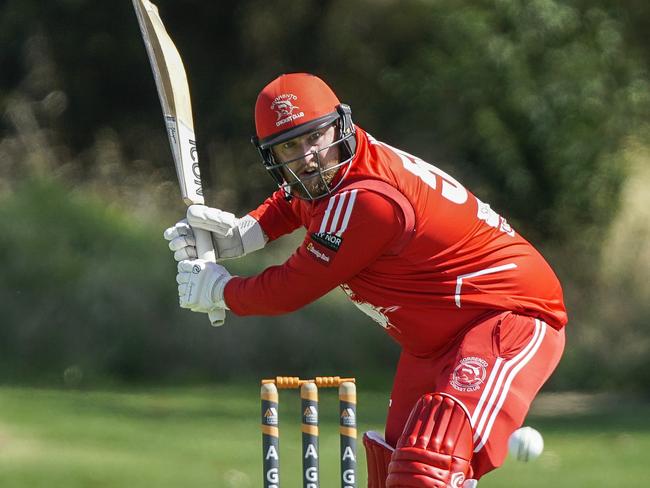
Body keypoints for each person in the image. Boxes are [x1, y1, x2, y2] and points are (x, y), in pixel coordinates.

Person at [164, 73, 567, 487]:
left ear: (338, 126)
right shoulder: (334, 175)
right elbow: (298, 200)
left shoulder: (368, 200)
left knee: (427, 467)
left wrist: (222, 291)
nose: (308, 157)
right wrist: (244, 233)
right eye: (289, 146)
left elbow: (293, 286)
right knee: (390, 468)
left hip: (506, 318)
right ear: (272, 157)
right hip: (435, 340)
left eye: (314, 137)